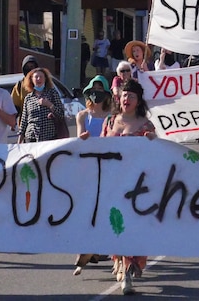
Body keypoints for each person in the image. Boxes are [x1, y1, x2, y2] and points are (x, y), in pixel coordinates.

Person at [102, 80, 157, 294]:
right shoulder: (110, 121)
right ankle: (123, 269)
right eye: (124, 95)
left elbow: (154, 156)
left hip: (136, 186)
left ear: (139, 100)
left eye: (131, 96)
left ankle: (128, 267)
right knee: (116, 224)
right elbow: (100, 148)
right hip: (113, 182)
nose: (127, 99)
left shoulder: (145, 125)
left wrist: (153, 141)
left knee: (132, 226)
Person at [72, 77, 114, 275]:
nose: (97, 92)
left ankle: (100, 247)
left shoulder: (113, 115)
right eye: (93, 88)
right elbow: (80, 136)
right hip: (88, 166)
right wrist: (82, 138)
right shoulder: (82, 115)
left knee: (104, 206)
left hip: (108, 166)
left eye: (100, 89)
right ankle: (88, 247)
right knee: (87, 206)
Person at [17, 67, 65, 143]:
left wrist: (49, 104)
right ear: (32, 80)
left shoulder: (52, 93)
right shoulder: (28, 98)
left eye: (41, 77)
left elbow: (61, 114)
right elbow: (24, 121)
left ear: (45, 79)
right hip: (31, 137)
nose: (38, 79)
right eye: (36, 77)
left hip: (49, 137)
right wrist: (19, 141)